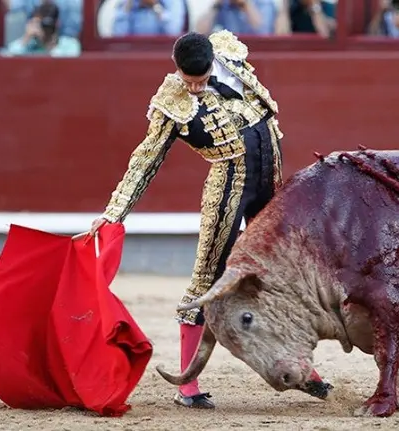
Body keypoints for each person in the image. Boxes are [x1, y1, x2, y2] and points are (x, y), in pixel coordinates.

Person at [83, 30, 284, 409]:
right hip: (228, 190)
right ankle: (188, 387)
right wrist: (113, 213)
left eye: (201, 80)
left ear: (213, 64)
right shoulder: (170, 103)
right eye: (188, 81)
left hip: (269, 181)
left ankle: (301, 367)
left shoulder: (231, 60)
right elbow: (146, 160)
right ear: (176, 69)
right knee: (205, 280)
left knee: (282, 273)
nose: (194, 89)